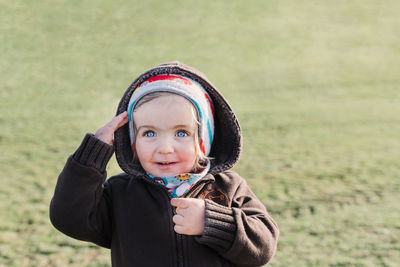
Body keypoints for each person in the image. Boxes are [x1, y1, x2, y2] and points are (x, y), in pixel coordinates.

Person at [50, 61, 279, 266]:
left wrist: (212, 221)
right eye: (149, 133)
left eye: (181, 133)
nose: (165, 148)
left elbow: (263, 247)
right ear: (132, 142)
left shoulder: (229, 187)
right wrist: (93, 152)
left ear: (203, 141)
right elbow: (69, 217)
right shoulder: (120, 194)